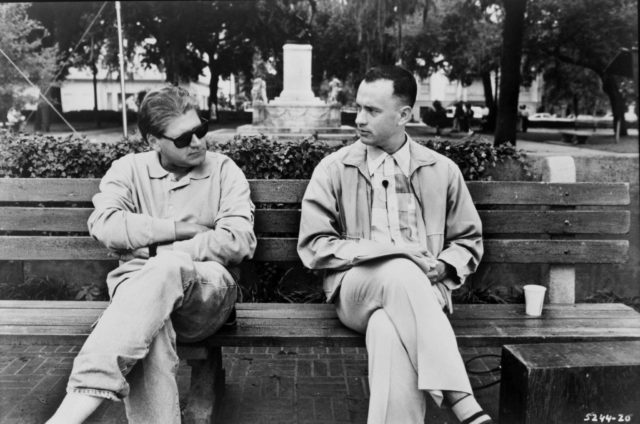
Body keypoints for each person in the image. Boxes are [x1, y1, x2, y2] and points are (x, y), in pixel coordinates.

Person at [45, 86, 256, 424]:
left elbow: (238, 240)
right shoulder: (128, 169)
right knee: (150, 329)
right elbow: (104, 224)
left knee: (163, 270)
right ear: (154, 141)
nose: (198, 142)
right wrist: (176, 228)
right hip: (142, 299)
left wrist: (155, 250)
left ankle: (75, 405)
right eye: (184, 138)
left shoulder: (224, 171)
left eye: (201, 129)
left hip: (206, 296)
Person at [298, 66, 491, 424]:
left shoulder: (441, 170)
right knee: (400, 267)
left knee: (388, 330)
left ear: (404, 115)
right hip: (356, 289)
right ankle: (465, 404)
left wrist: (445, 266)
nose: (359, 119)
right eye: (358, 108)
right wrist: (389, 253)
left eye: (372, 111)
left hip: (424, 292)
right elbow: (314, 245)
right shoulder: (334, 168)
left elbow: (468, 240)